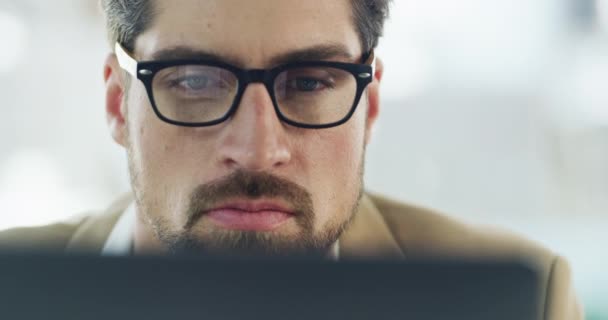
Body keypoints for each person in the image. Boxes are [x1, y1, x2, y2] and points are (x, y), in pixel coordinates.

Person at [0, 0, 582, 318]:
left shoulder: (526, 303)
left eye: (308, 82)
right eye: (197, 81)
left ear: (369, 104)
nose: (257, 151)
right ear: (115, 103)